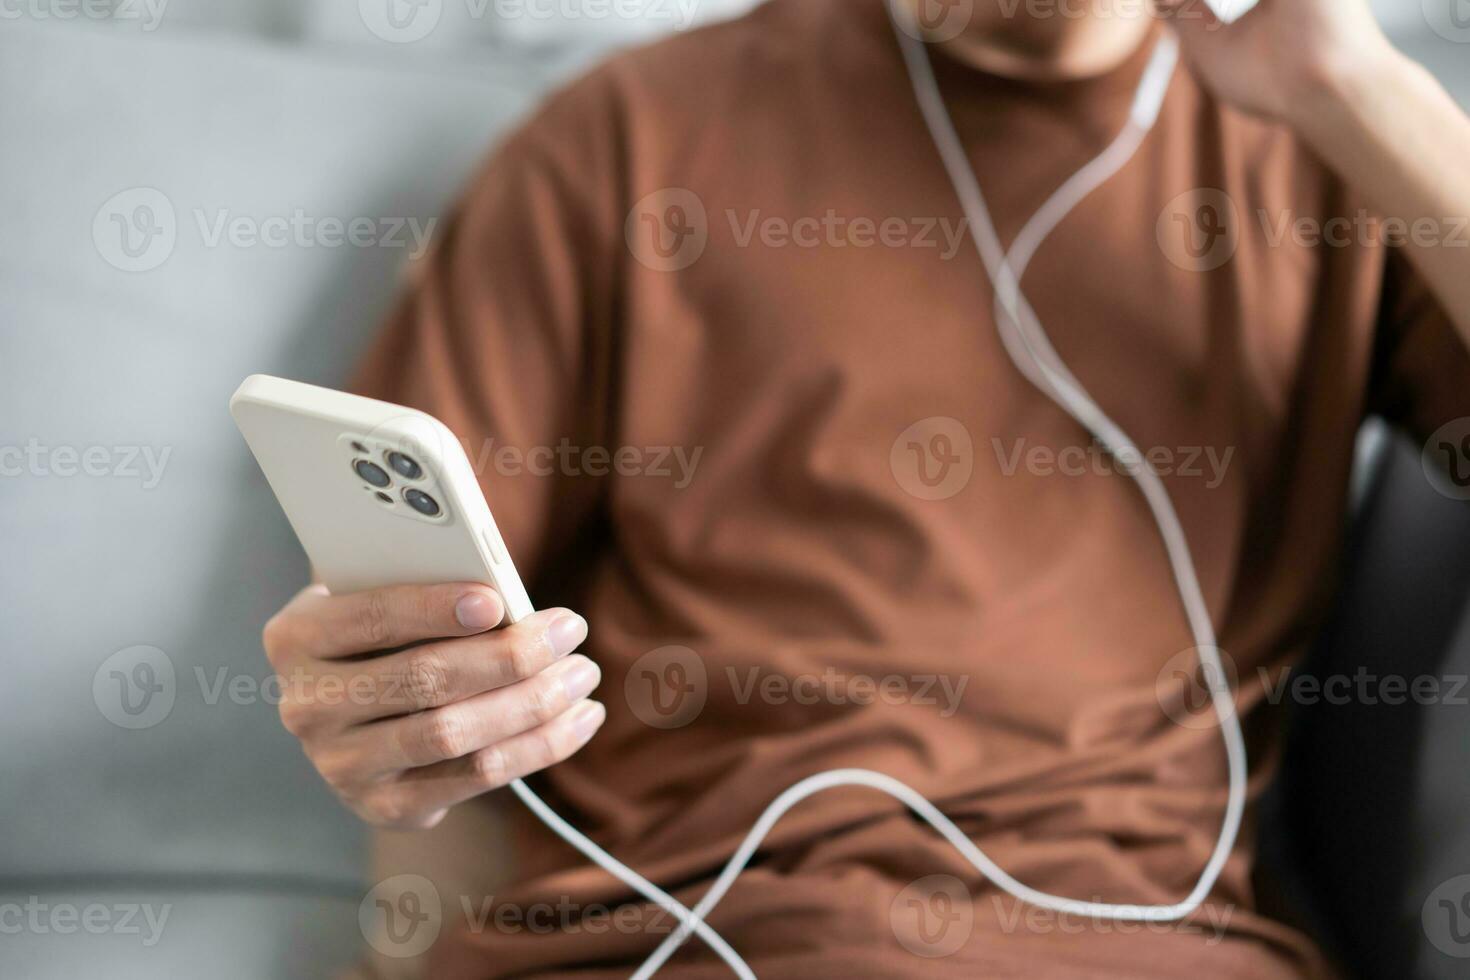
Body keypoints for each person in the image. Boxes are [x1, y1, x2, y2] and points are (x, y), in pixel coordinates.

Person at [260, 0, 1470, 976]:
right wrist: (388, 713)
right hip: (693, 936)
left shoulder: (1329, 153)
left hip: (1135, 944)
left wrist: (1354, 89)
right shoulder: (624, 136)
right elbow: (403, 621)